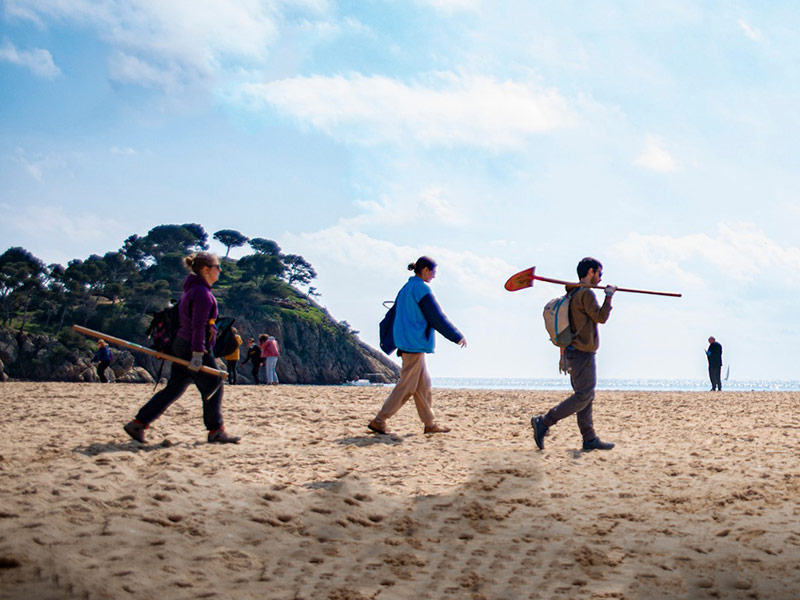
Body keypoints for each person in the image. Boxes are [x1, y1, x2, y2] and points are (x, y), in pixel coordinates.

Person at [123, 252, 240, 444]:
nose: (220, 270)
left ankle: (139, 422)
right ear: (205, 269)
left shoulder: (192, 289)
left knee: (175, 387)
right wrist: (197, 354)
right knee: (214, 385)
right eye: (217, 267)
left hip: (181, 343)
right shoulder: (202, 293)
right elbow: (199, 325)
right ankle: (216, 431)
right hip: (192, 345)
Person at [368, 256, 467, 436]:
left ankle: (430, 424)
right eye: (433, 272)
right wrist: (456, 336)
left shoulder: (405, 288)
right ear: (425, 270)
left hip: (407, 341)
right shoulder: (421, 288)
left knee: (423, 386)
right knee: (406, 386)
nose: (434, 277)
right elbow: (436, 317)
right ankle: (380, 420)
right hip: (413, 343)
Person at [531, 257, 617, 452]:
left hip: (574, 352)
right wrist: (609, 297)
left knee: (586, 395)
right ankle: (544, 422)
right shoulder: (585, 294)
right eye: (599, 273)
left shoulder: (574, 293)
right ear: (590, 272)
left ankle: (589, 438)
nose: (600, 277)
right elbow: (601, 317)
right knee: (583, 395)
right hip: (582, 353)